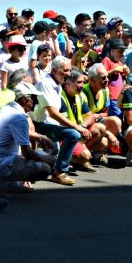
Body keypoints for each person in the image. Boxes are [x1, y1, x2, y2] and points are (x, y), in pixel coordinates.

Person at [32, 57, 84, 185]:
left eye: (70, 70)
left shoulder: (58, 85)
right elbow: (53, 113)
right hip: (37, 125)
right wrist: (77, 127)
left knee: (52, 160)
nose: (69, 74)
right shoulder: (45, 84)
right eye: (65, 70)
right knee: (73, 134)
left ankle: (51, 166)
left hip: (49, 124)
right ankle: (60, 172)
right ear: (54, 71)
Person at [58, 69, 110, 172]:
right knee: (85, 155)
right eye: (79, 82)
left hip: (77, 130)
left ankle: (80, 158)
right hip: (64, 135)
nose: (82, 85)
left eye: (83, 82)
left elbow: (90, 116)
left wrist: (83, 126)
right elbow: (64, 122)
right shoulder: (60, 97)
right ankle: (67, 159)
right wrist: (79, 129)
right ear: (68, 83)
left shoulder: (79, 96)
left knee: (101, 129)